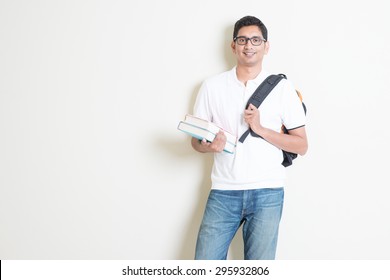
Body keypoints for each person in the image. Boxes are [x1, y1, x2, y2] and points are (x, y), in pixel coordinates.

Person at [191, 16, 308, 260]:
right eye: (242, 40)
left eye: (256, 40)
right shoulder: (212, 86)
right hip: (223, 190)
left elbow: (301, 144)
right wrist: (209, 146)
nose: (249, 45)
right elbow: (195, 142)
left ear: (266, 46)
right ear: (233, 46)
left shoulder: (283, 88)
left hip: (268, 191)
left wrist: (261, 128)